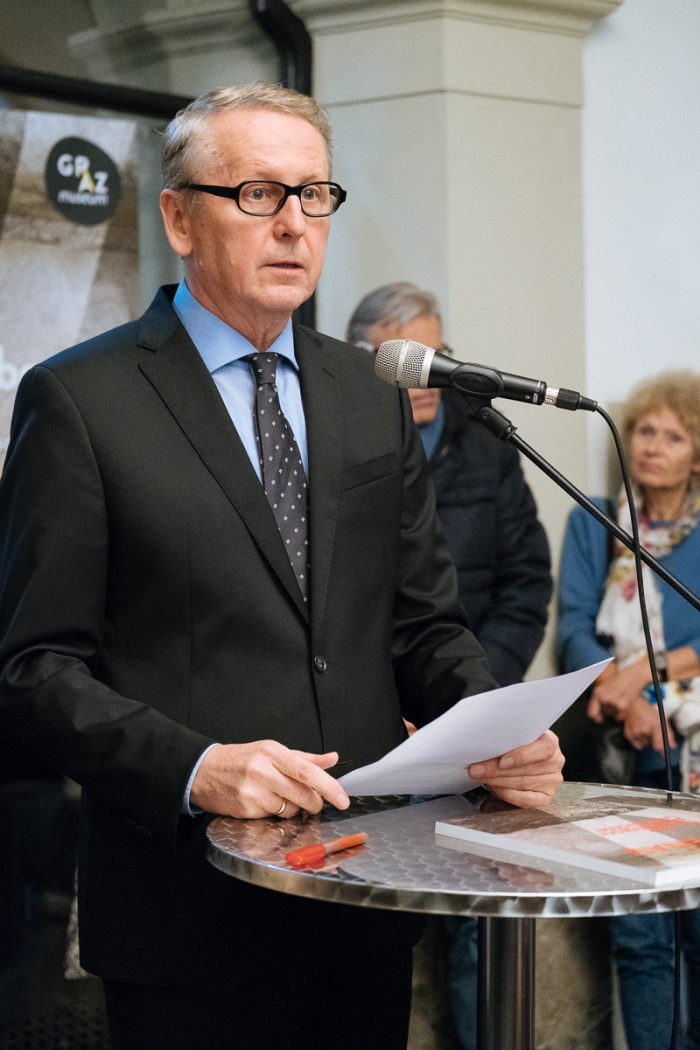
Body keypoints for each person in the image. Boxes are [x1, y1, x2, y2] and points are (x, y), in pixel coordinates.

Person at [0, 83, 564, 1050]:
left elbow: (423, 622)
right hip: (189, 914)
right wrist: (195, 767)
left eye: (315, 195)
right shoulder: (82, 401)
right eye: (258, 194)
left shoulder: (370, 389)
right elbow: (33, 668)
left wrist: (495, 726)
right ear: (179, 216)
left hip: (366, 892)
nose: (295, 225)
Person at [348, 282, 552, 1050]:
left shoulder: (481, 435)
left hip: (475, 712)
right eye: (409, 359)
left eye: (437, 357)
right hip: (378, 726)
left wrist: (477, 701)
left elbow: (526, 579)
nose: (426, 377)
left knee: (482, 908)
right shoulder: (345, 438)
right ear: (371, 359)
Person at [557, 370, 700, 1050]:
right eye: (645, 430)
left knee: (697, 931)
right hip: (617, 754)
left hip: (689, 744)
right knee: (640, 934)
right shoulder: (593, 518)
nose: (652, 446)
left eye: (673, 436)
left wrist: (645, 686)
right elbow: (574, 630)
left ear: (697, 454)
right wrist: (623, 692)